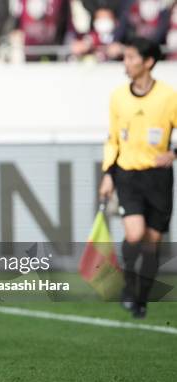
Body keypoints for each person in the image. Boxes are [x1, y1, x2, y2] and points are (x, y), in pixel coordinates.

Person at [98, 36, 177, 318]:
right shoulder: (118, 96)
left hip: (158, 178)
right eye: (126, 57)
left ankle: (141, 299)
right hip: (127, 175)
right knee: (135, 233)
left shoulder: (168, 96)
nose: (127, 63)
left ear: (148, 63)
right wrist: (108, 174)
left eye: (132, 58)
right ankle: (129, 286)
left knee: (152, 243)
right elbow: (113, 139)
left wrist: (173, 152)